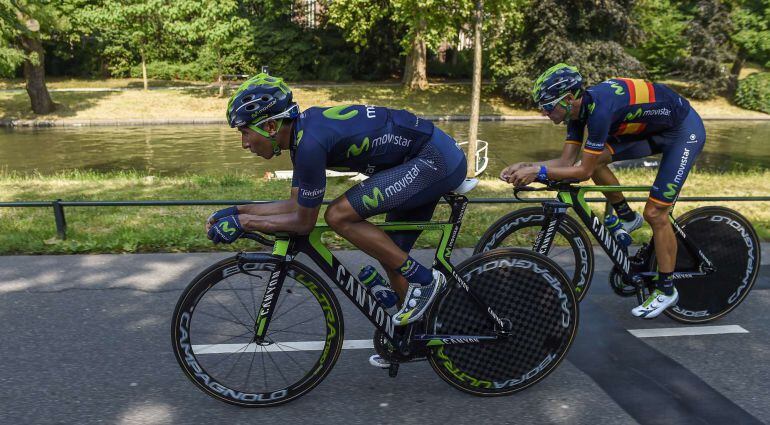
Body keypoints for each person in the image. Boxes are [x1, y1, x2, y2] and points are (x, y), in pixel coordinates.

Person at [205, 73, 467, 365]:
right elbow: (295, 205)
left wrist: (246, 224)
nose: (244, 143)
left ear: (269, 125)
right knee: (390, 253)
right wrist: (238, 212)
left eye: (244, 132)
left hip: (433, 159)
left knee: (338, 215)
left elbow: (303, 221)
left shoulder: (310, 143)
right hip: (418, 161)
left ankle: (425, 281)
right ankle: (412, 337)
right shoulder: (301, 138)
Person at [501, 63, 706, 319]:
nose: (543, 113)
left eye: (546, 106)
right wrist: (528, 166)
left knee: (656, 213)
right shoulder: (577, 112)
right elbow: (566, 164)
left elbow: (583, 172)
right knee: (595, 159)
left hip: (684, 131)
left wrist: (539, 173)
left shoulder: (599, 112)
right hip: (653, 128)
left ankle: (666, 290)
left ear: (567, 99)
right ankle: (628, 217)